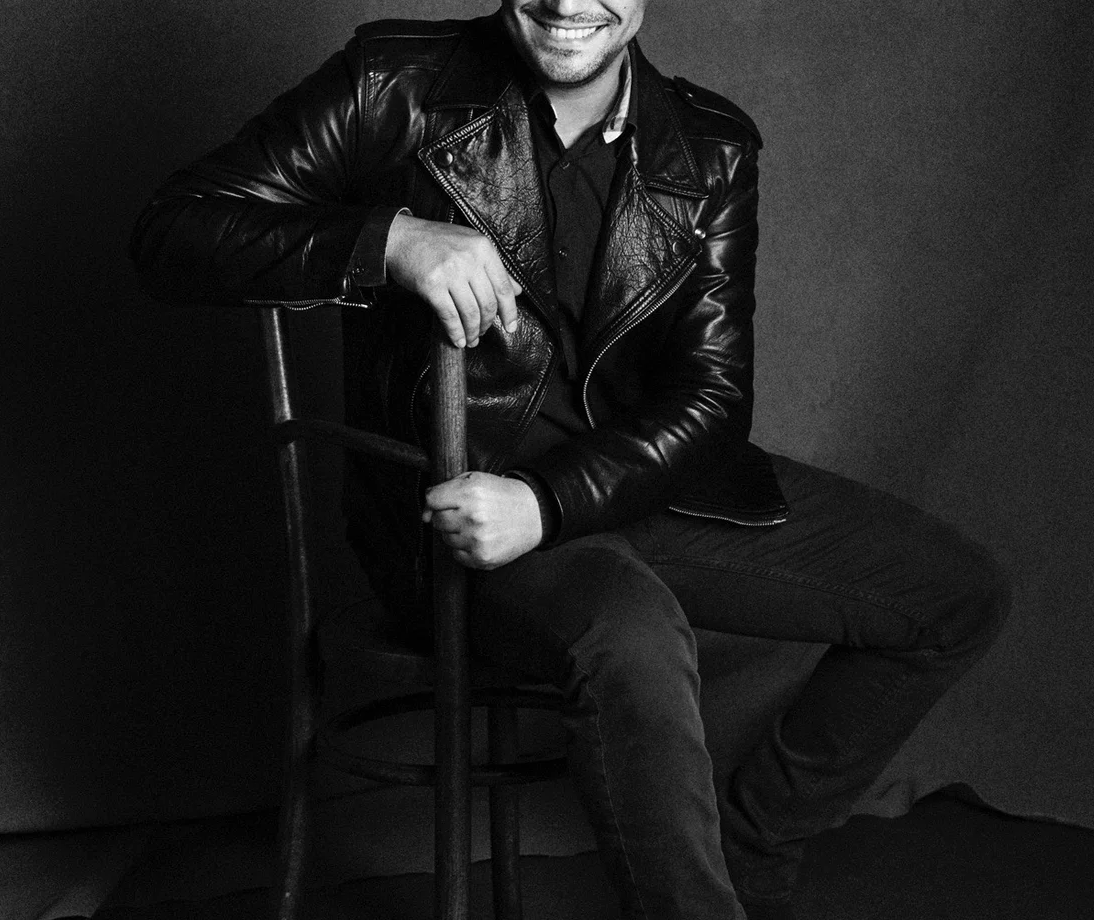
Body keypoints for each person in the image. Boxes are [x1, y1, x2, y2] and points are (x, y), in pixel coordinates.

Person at [132, 2, 1009, 918]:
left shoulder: (705, 147)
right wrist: (387, 240)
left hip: (627, 487)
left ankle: (747, 854)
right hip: (459, 509)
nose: (566, 1)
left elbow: (710, 396)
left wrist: (546, 503)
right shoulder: (395, 81)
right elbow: (173, 232)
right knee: (629, 634)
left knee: (953, 595)